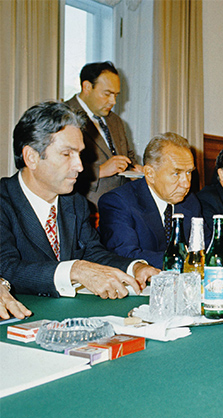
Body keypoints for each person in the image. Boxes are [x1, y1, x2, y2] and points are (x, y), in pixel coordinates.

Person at [0, 101, 158, 298]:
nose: (80, 166)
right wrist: (75, 269)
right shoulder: (3, 202)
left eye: (80, 154)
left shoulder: (75, 202)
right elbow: (6, 268)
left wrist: (134, 267)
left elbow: (93, 254)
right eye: (67, 154)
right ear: (31, 157)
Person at [98, 132, 206, 269]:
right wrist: (187, 260)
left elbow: (207, 246)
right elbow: (126, 255)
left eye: (189, 172)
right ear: (150, 173)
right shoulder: (118, 202)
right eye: (176, 173)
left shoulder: (190, 201)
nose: (186, 184)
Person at [65, 61, 142, 209]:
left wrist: (134, 169)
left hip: (120, 207)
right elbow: (58, 166)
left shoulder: (115, 121)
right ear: (87, 87)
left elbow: (128, 155)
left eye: (116, 95)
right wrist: (100, 171)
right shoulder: (63, 116)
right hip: (84, 208)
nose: (113, 101)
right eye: (107, 94)